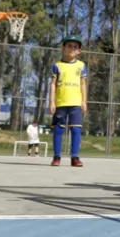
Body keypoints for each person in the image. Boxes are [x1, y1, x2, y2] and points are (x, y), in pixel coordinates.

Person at [49, 35, 88, 167]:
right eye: (69, 46)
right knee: (58, 130)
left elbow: (83, 84)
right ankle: (56, 157)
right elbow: (53, 84)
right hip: (61, 103)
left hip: (76, 103)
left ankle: (75, 157)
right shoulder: (57, 66)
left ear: (79, 51)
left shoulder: (81, 66)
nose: (72, 48)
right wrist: (52, 102)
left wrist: (84, 101)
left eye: (75, 47)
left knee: (76, 130)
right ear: (63, 48)